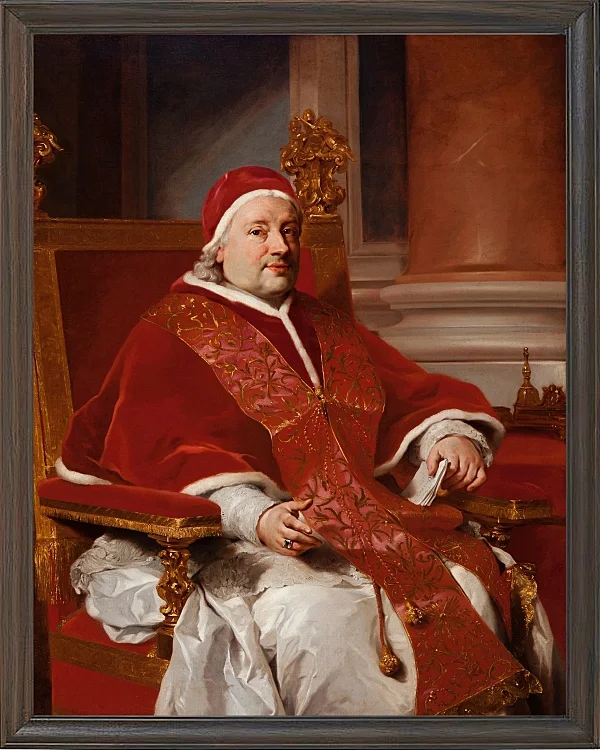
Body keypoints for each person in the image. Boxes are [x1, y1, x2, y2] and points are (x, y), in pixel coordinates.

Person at [60, 166, 562, 716]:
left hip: (362, 525)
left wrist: (447, 435)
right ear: (220, 248)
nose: (280, 246)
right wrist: (256, 515)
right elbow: (162, 452)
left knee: (466, 586)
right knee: (319, 620)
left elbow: (407, 394)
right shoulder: (169, 331)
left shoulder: (327, 325)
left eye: (290, 231)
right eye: (258, 231)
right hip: (234, 540)